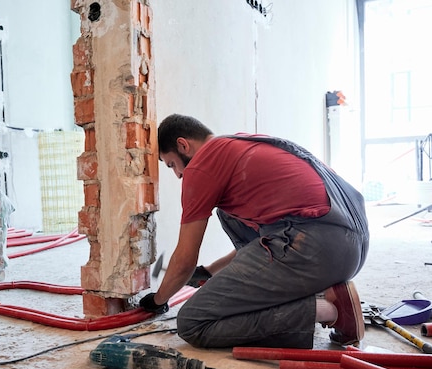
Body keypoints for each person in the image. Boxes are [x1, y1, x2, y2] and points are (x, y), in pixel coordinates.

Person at [139, 114, 370, 349]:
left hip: (316, 245)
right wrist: (209, 271)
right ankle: (327, 291)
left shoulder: (201, 166)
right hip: (348, 245)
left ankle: (331, 310)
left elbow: (184, 260)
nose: (178, 175)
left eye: (172, 165)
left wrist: (159, 300)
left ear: (183, 145)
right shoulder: (243, 143)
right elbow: (263, 240)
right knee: (227, 214)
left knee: (193, 322)